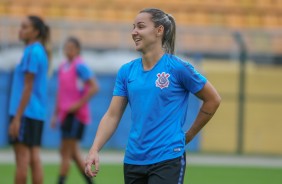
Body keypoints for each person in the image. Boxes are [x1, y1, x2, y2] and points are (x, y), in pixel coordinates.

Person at [85, 8, 221, 184]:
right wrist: (94, 149)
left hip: (167, 159)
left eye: (140, 27)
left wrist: (189, 135)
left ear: (159, 31)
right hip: (133, 160)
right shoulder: (126, 71)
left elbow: (213, 99)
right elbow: (112, 115)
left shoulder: (178, 68)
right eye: (133, 27)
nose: (134, 32)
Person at [8, 16, 50, 184]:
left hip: (25, 112)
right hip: (36, 113)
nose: (20, 30)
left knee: (22, 160)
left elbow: (28, 86)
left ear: (36, 32)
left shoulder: (32, 51)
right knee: (34, 158)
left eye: (25, 27)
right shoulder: (40, 51)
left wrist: (17, 118)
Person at [51, 37, 99, 184]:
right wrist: (56, 114)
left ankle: (60, 181)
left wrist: (78, 104)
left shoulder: (80, 66)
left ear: (77, 50)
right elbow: (61, 92)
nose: (68, 51)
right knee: (70, 153)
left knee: (66, 152)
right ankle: (90, 182)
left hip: (76, 116)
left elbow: (94, 87)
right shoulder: (62, 67)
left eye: (72, 48)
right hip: (66, 115)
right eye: (66, 48)